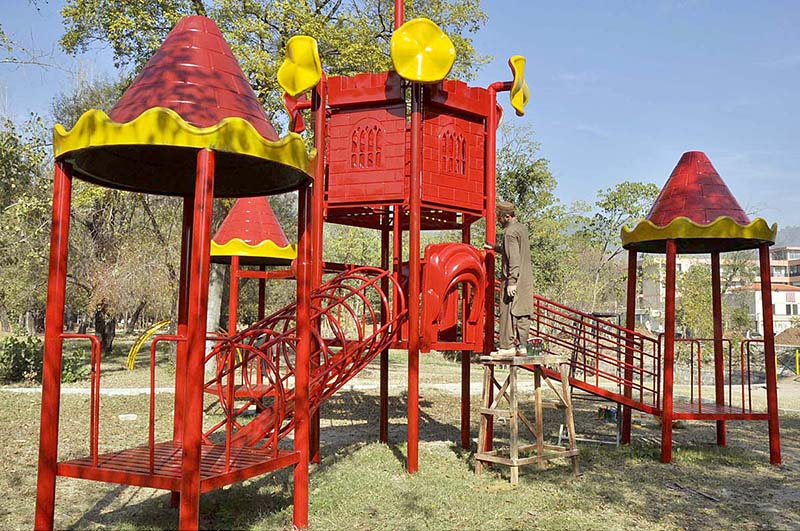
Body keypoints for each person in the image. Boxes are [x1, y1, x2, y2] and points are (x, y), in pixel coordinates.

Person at [484, 201, 534, 355]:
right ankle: (522, 346)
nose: (498, 220)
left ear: (506, 216)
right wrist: (495, 248)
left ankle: (507, 347)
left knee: (508, 312)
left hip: (514, 279)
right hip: (525, 280)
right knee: (523, 312)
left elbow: (514, 258)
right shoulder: (521, 229)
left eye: (499, 217)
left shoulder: (509, 232)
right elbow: (514, 252)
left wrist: (511, 281)